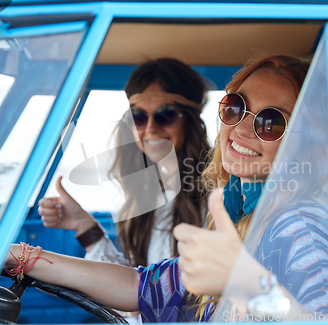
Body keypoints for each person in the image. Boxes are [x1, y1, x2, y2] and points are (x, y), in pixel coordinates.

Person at [0, 54, 328, 322]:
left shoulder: (296, 223)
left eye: (272, 121)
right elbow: (141, 286)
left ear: (307, 140)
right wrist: (13, 255)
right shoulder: (236, 211)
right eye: (235, 107)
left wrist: (253, 285)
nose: (243, 128)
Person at [38, 58, 211, 267]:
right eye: (138, 116)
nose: (150, 128)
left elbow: (142, 289)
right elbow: (137, 281)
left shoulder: (215, 192)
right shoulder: (148, 191)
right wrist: (83, 225)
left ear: (190, 120)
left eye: (166, 114)